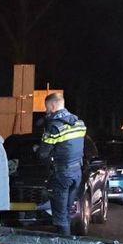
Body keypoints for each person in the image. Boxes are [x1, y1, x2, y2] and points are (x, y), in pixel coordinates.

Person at [35, 92, 86, 236]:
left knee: (59, 216)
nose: (46, 111)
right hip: (77, 173)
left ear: (52, 105)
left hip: (62, 174)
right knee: (67, 212)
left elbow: (42, 154)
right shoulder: (79, 123)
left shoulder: (55, 127)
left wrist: (37, 148)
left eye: (46, 108)